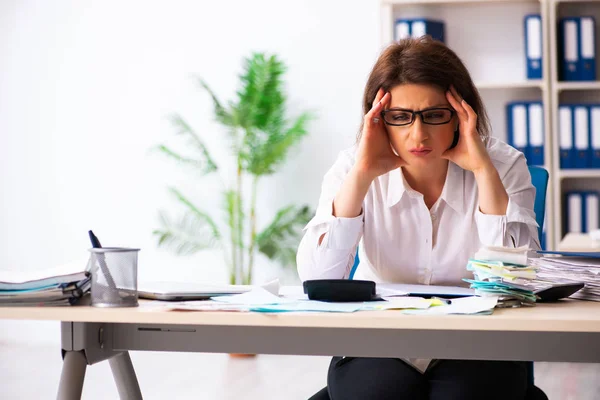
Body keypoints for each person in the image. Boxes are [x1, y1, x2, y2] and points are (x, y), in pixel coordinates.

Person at [297, 37, 540, 400]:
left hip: (479, 340)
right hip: (380, 338)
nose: (418, 134)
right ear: (378, 119)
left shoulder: (503, 166)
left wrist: (484, 174)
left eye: (435, 115)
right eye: (400, 117)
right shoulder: (351, 167)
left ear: (462, 113)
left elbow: (519, 282)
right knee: (378, 394)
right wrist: (362, 176)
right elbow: (318, 279)